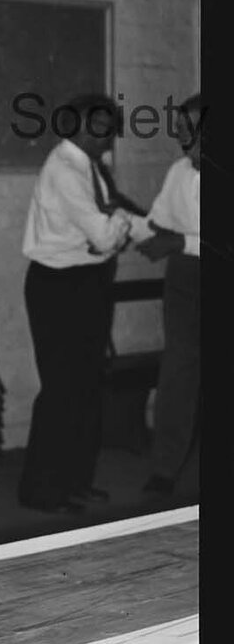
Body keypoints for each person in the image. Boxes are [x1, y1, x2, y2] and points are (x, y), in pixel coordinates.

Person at [18, 93, 141, 515]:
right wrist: (117, 221)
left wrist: (114, 219)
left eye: (109, 127)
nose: (107, 137)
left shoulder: (86, 164)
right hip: (59, 287)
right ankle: (42, 491)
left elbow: (107, 223)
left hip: (84, 283)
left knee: (84, 387)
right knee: (62, 389)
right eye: (99, 127)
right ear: (76, 126)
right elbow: (106, 235)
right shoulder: (65, 168)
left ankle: (74, 484)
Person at [130, 93, 202, 497]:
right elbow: (158, 222)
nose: (176, 132)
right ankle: (165, 468)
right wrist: (122, 223)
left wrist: (177, 243)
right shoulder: (178, 171)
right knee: (177, 371)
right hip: (185, 280)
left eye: (184, 125)